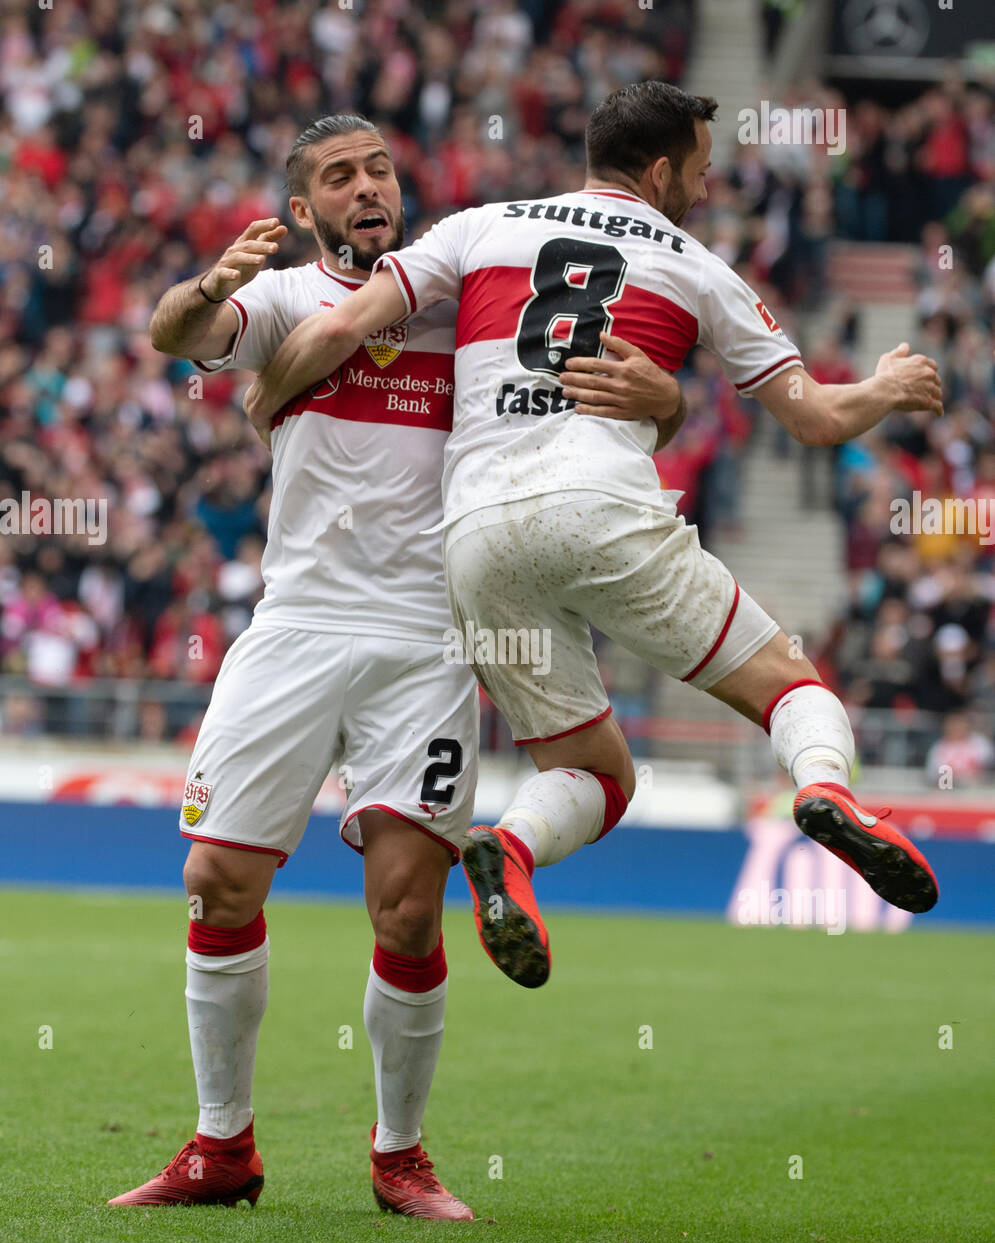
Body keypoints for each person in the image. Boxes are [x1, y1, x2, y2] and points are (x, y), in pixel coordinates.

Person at [243, 82, 943, 991]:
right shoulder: (696, 264)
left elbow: (338, 324)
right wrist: (887, 387)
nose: (700, 186)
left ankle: (512, 850)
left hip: (476, 535)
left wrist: (268, 401)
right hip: (601, 504)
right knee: (788, 689)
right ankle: (824, 788)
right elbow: (812, 418)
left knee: (591, 768)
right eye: (695, 170)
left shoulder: (475, 226)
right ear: (659, 171)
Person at [108, 113, 683, 1214]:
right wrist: (198, 289)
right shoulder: (283, 300)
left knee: (407, 909)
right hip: (296, 625)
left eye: (377, 169)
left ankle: (399, 1154)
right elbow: (177, 333)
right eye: (338, 176)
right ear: (307, 209)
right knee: (216, 882)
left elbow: (617, 388)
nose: (365, 187)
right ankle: (221, 1146)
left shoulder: (471, 303)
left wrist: (665, 398)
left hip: (427, 636)